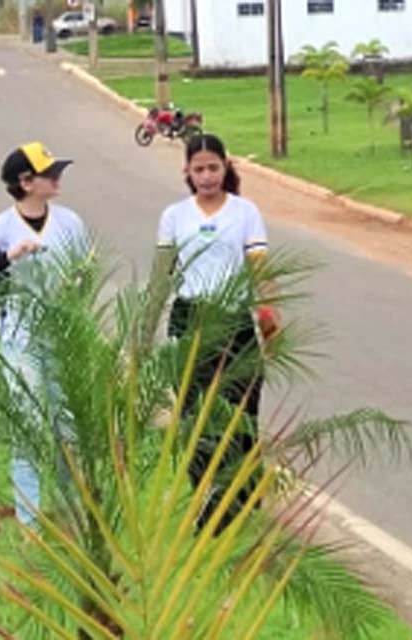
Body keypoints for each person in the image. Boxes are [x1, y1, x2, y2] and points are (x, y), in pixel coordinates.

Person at [0, 142, 87, 527]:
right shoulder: (2, 228)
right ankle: (30, 522)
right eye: (48, 172)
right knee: (28, 425)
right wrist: (6, 258)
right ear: (25, 182)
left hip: (63, 338)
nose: (56, 177)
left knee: (68, 430)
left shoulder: (71, 224)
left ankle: (73, 515)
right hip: (20, 339)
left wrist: (75, 287)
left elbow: (86, 273)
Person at [153, 133, 280, 533]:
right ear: (186, 173)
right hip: (191, 321)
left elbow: (259, 266)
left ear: (226, 167)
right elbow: (162, 275)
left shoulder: (245, 213)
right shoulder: (175, 216)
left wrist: (269, 314)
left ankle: (241, 497)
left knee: (241, 413)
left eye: (213, 167)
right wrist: (145, 327)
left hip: (235, 322)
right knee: (197, 416)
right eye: (199, 169)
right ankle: (209, 500)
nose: (207, 176)